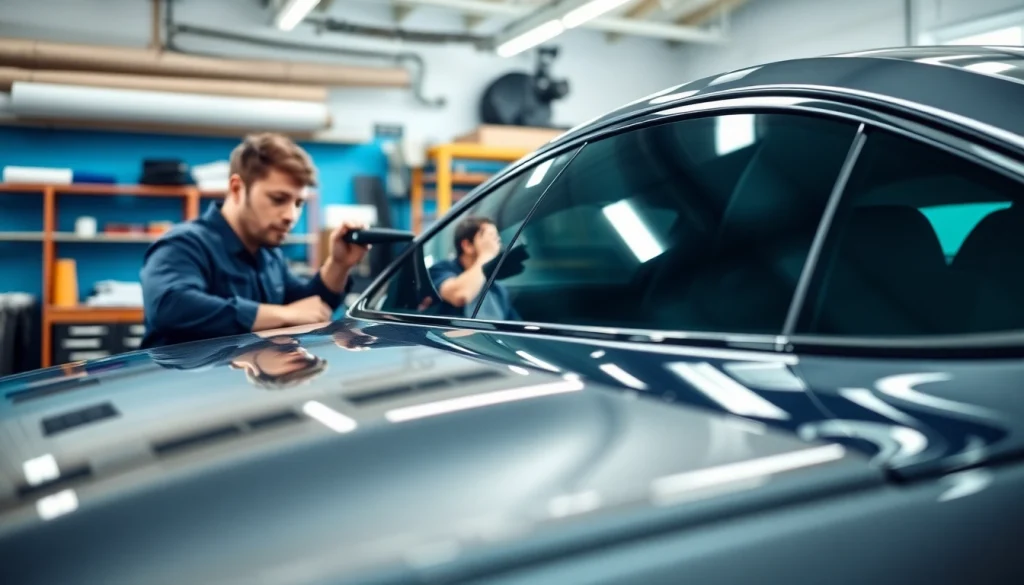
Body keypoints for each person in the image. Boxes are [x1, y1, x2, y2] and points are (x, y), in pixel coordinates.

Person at [139, 132, 368, 349]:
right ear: (237, 188)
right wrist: (283, 315)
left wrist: (339, 264)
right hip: (182, 387)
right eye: (278, 199)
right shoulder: (183, 244)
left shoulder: (268, 253)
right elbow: (171, 306)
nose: (291, 216)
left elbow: (310, 307)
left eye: (298, 203)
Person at [428, 216, 520, 321]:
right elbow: (460, 295)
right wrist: (487, 254)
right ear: (467, 245)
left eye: (497, 238)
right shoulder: (441, 269)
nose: (496, 244)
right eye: (491, 238)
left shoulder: (496, 288)